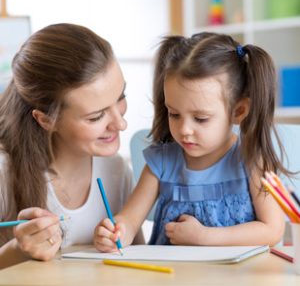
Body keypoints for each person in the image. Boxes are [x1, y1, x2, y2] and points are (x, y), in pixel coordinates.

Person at [94, 32, 292, 252]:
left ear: (239, 111)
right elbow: (130, 221)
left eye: (200, 119)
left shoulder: (250, 159)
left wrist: (205, 237)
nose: (184, 130)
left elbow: (272, 230)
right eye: (174, 114)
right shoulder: (162, 162)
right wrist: (116, 232)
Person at [0, 23, 143, 269]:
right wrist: (17, 250)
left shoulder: (115, 170)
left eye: (121, 97)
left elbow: (138, 259)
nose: (121, 124)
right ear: (45, 119)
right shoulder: (5, 171)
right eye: (96, 117)